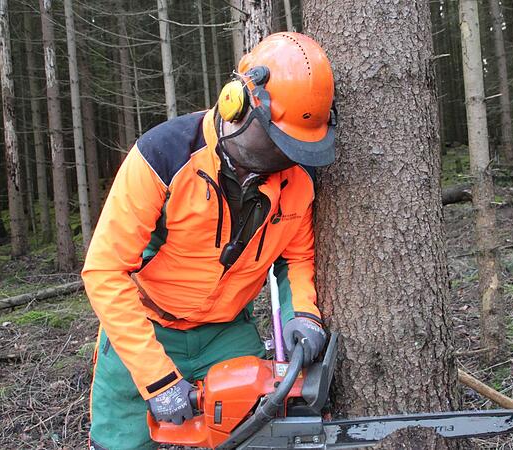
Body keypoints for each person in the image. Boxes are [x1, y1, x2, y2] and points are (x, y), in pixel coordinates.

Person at [81, 32, 336, 450]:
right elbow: (104, 270)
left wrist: (303, 315)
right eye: (277, 141)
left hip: (225, 330)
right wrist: (156, 378)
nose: (285, 157)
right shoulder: (163, 156)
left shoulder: (298, 180)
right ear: (237, 104)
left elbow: (297, 258)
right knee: (119, 442)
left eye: (295, 147)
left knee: (258, 431)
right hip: (144, 325)